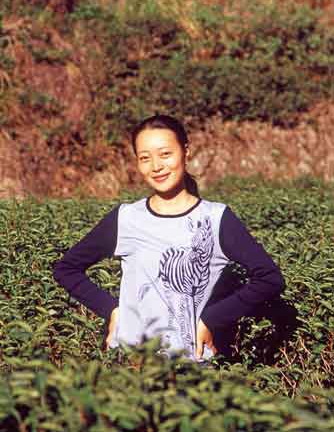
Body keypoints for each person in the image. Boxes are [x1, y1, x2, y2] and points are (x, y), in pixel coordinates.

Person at [53, 114, 285, 361]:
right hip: (132, 365)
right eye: (145, 158)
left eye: (165, 154)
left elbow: (269, 279)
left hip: (190, 368)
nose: (156, 166)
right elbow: (66, 269)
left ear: (186, 151)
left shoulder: (216, 219)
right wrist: (112, 310)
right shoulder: (127, 218)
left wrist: (211, 319)